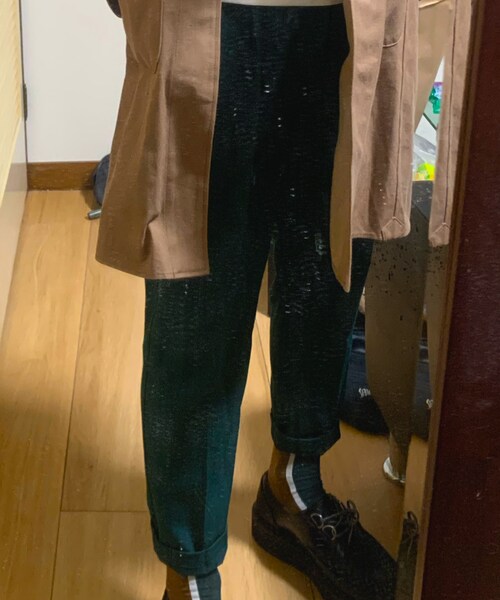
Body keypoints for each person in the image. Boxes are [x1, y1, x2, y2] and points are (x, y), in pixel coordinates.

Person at [98, 0, 419, 598]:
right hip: (203, 18)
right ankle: (190, 571)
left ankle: (293, 488)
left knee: (326, 282)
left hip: (349, 20)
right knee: (195, 325)